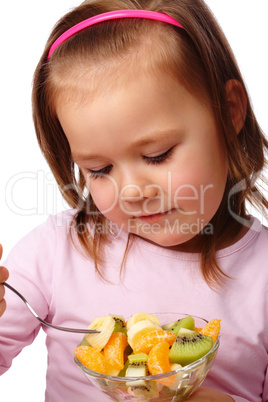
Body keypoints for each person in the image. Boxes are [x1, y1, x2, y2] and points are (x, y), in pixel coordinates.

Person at [0, 0, 267, 400]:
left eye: (156, 155)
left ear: (229, 113)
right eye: (99, 169)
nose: (132, 191)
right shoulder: (56, 251)